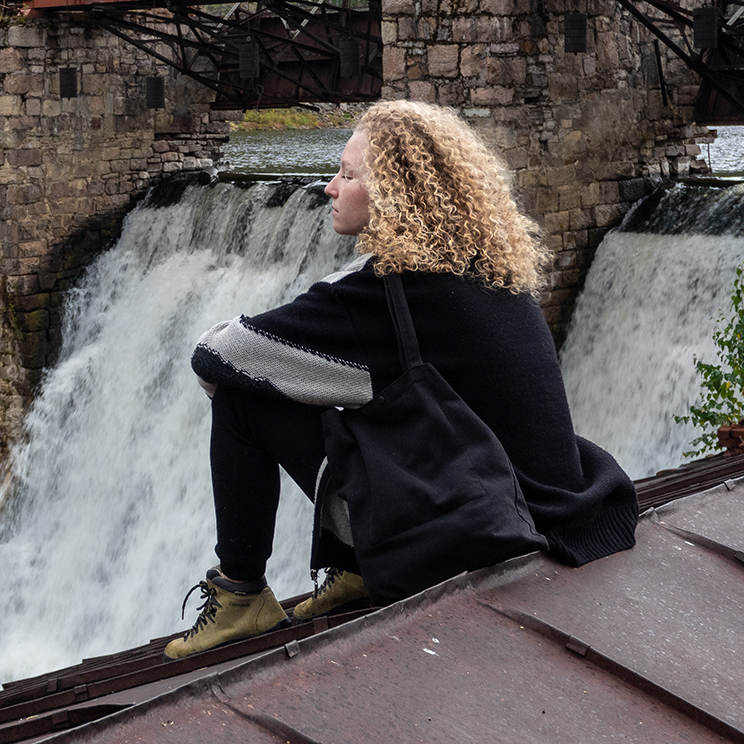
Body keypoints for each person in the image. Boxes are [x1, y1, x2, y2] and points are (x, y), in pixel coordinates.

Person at [166, 100, 637, 660]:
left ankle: (241, 593)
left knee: (246, 399)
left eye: (348, 174)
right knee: (349, 390)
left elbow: (218, 355)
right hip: (562, 517)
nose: (330, 188)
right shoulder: (491, 272)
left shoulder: (387, 296)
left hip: (484, 535)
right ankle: (354, 570)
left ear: (393, 195)